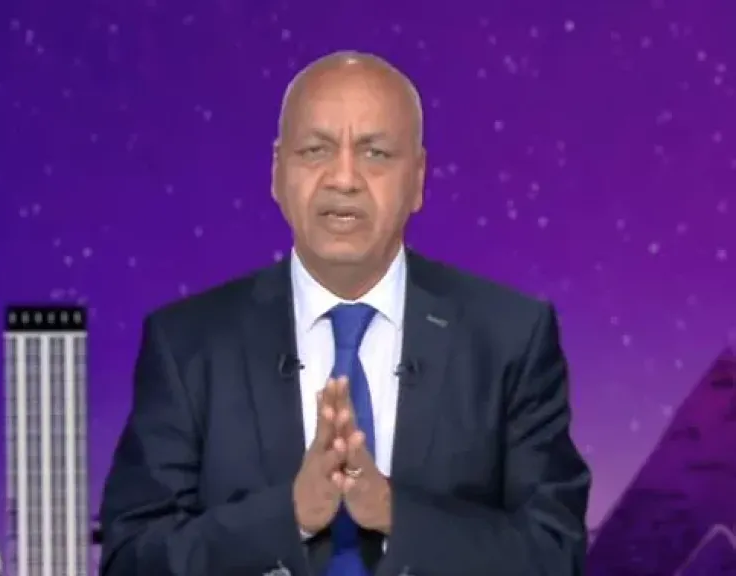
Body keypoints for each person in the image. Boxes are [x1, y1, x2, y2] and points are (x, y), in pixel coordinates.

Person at [98, 51, 591, 576]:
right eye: (316, 150)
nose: (344, 177)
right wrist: (289, 515)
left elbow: (553, 553)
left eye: (375, 153)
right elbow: (132, 560)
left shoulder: (509, 338)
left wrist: (392, 512)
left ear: (418, 178)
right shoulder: (189, 345)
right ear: (277, 172)